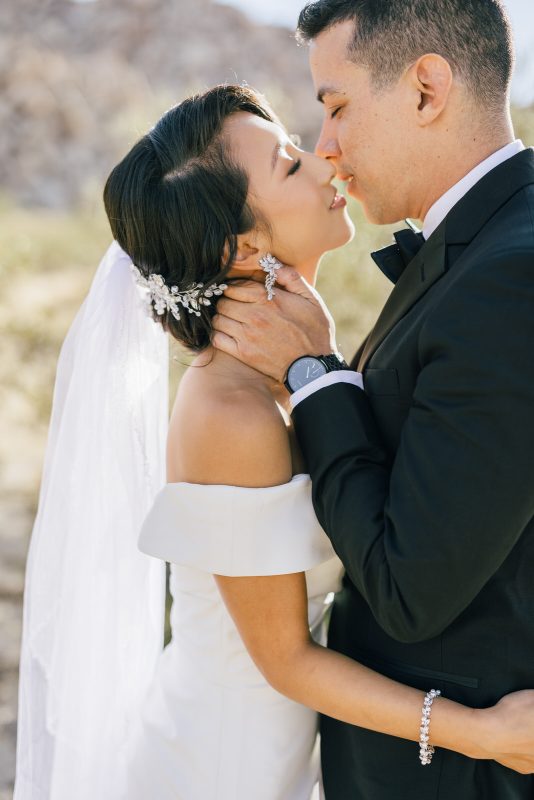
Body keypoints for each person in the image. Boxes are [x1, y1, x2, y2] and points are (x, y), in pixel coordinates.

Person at [14, 82, 534, 800]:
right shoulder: (233, 412)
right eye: (290, 165)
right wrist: (481, 732)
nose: (325, 160)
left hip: (291, 751)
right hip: (224, 769)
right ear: (241, 246)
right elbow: (285, 659)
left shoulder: (289, 372)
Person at [207, 2, 534, 799]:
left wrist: (316, 375)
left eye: (336, 105)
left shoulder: (507, 278)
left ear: (427, 88)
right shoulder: (488, 248)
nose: (327, 146)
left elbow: (406, 588)